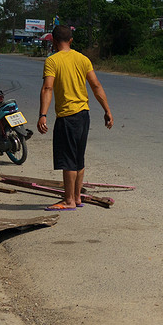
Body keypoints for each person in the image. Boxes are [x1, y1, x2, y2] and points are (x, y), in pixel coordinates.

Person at [37, 25, 115, 211]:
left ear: (53, 41)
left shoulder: (52, 61)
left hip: (67, 116)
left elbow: (48, 88)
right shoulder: (83, 59)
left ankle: (69, 200)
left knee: (68, 159)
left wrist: (42, 115)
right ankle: (78, 197)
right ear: (71, 40)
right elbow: (96, 86)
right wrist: (107, 110)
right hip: (83, 115)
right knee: (79, 157)